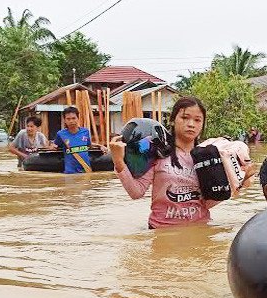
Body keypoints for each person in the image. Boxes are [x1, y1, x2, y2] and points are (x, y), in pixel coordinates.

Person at [110, 96, 224, 228]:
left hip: (199, 229)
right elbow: (136, 192)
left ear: (202, 125)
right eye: (185, 117)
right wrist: (118, 162)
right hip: (162, 230)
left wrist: (240, 181)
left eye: (197, 120)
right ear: (172, 120)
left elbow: (211, 199)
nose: (191, 124)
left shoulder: (209, 157)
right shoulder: (158, 152)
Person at [47, 106, 103, 174]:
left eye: (74, 118)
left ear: (78, 118)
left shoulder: (85, 132)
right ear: (64, 120)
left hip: (86, 171)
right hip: (70, 173)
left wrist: (100, 146)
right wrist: (51, 147)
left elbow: (89, 145)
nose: (71, 121)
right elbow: (55, 145)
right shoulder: (61, 134)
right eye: (68, 119)